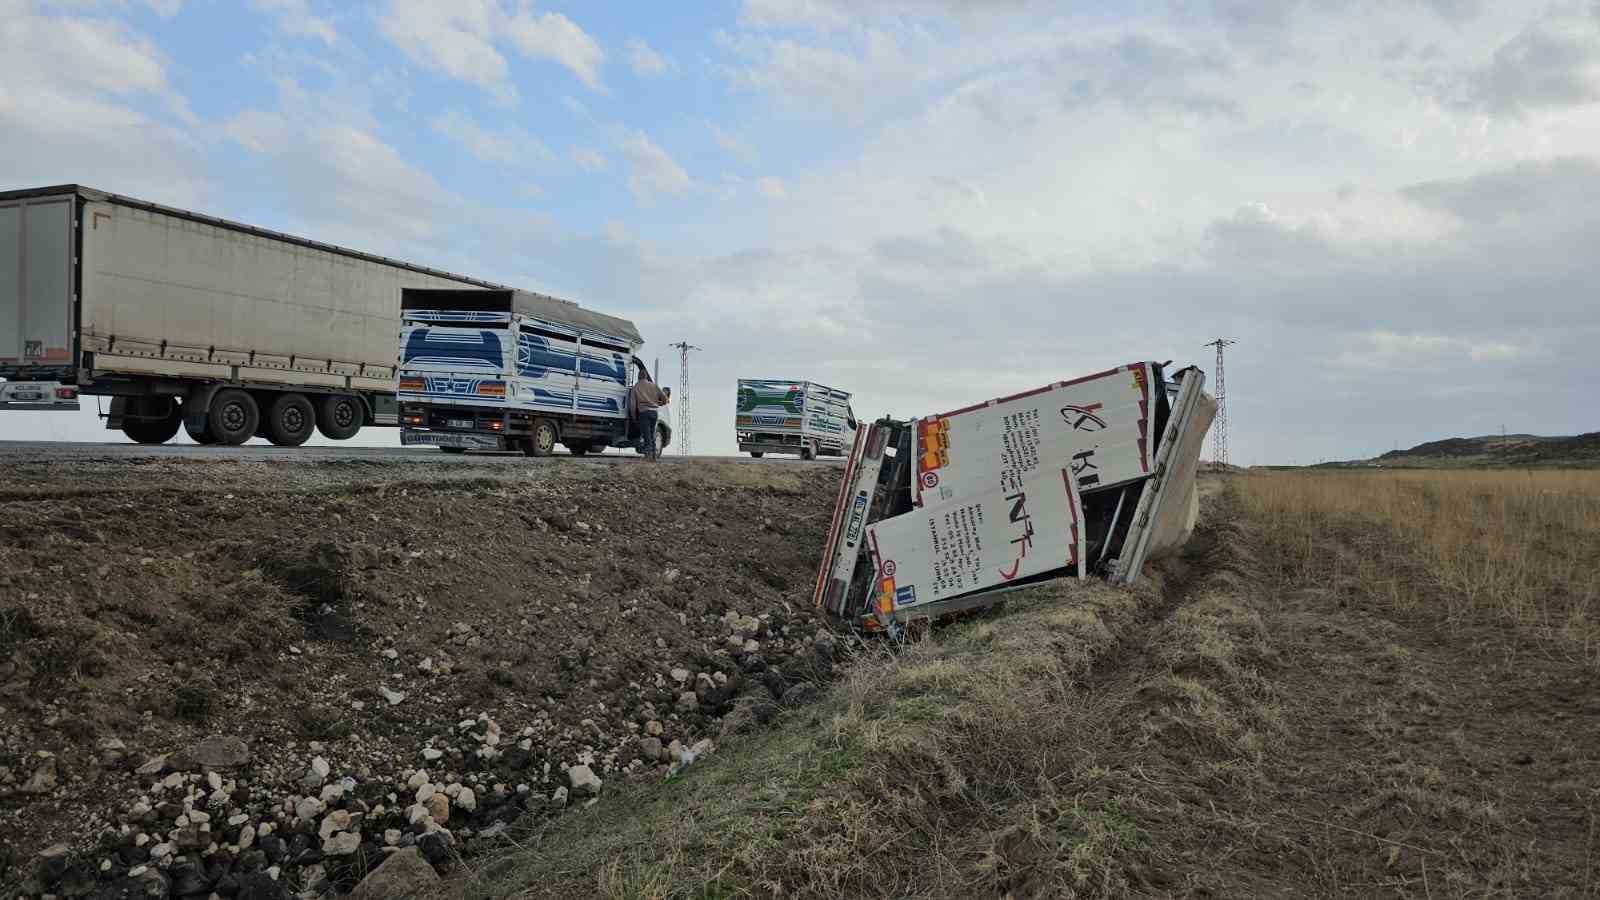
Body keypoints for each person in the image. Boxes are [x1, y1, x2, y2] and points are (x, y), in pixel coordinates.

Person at [630, 376, 670, 461]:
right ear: (646, 377)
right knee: (652, 435)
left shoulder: (636, 387)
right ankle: (654, 456)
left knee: (646, 435)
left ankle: (648, 456)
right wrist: (659, 403)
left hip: (644, 413)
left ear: (638, 377)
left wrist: (633, 415)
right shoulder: (654, 386)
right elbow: (665, 399)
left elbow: (633, 404)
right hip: (654, 413)